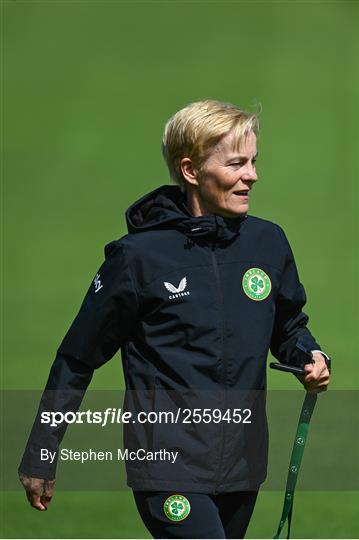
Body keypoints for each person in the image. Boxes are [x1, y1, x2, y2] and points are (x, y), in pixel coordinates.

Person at [18, 99, 330, 539]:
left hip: (243, 466)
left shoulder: (268, 243)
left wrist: (310, 356)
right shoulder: (138, 259)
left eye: (254, 162)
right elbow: (77, 358)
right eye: (237, 163)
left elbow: (289, 325)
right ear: (190, 170)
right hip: (166, 467)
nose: (252, 176)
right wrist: (41, 453)